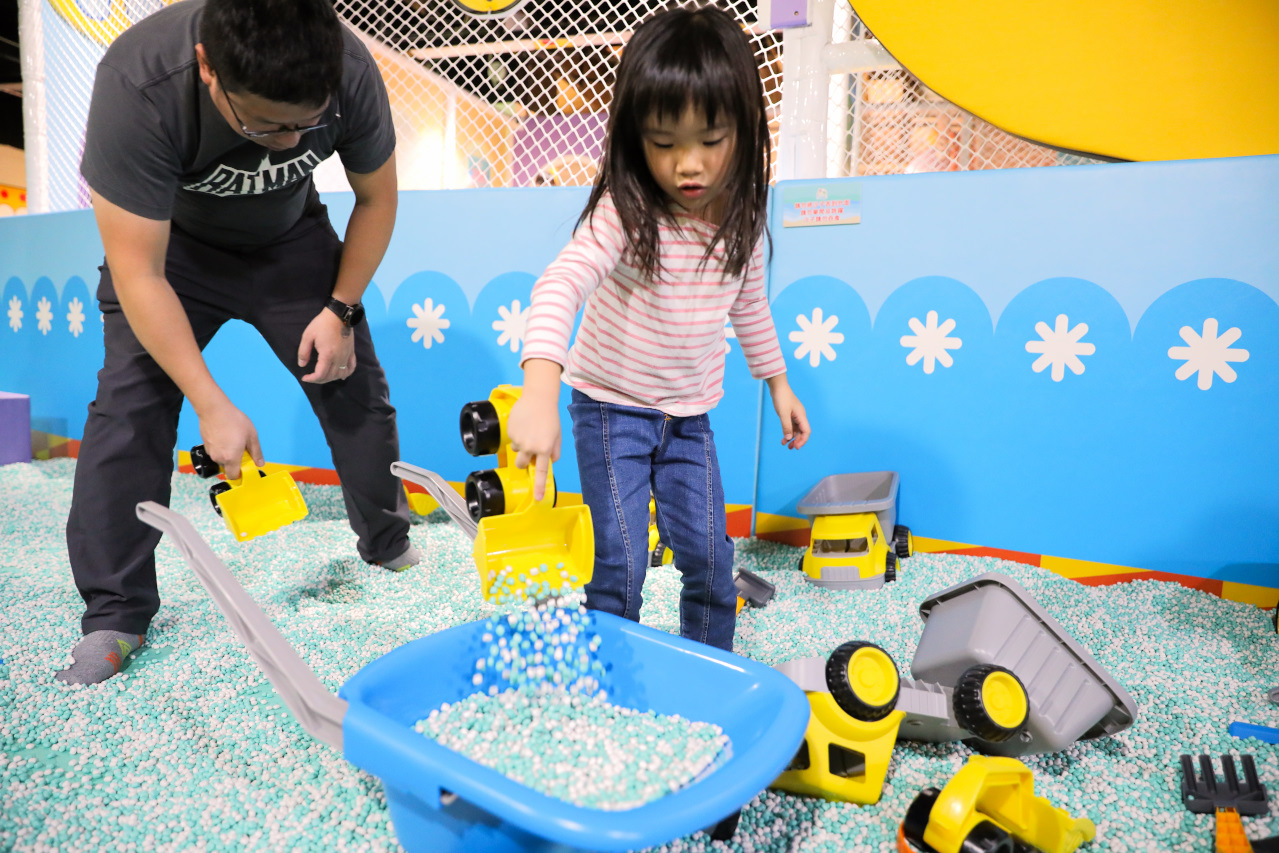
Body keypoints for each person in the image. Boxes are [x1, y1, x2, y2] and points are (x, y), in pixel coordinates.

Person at [57, 0, 419, 686]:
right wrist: (211, 402)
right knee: (128, 410)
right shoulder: (139, 84)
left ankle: (388, 543)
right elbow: (138, 272)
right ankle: (115, 611)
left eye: (301, 126)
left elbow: (376, 199)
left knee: (352, 385)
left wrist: (340, 310)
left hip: (290, 242)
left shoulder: (348, 66)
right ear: (206, 68)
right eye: (261, 123)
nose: (284, 145)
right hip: (174, 259)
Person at [506, 5, 811, 653]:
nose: (688, 165)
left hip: (688, 421)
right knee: (621, 560)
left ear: (747, 130)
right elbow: (561, 283)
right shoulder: (625, 211)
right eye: (664, 143)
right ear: (633, 138)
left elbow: (748, 306)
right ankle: (612, 666)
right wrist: (537, 390)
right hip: (611, 410)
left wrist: (778, 383)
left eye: (711, 139)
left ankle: (707, 663)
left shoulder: (741, 224)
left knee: (707, 553)